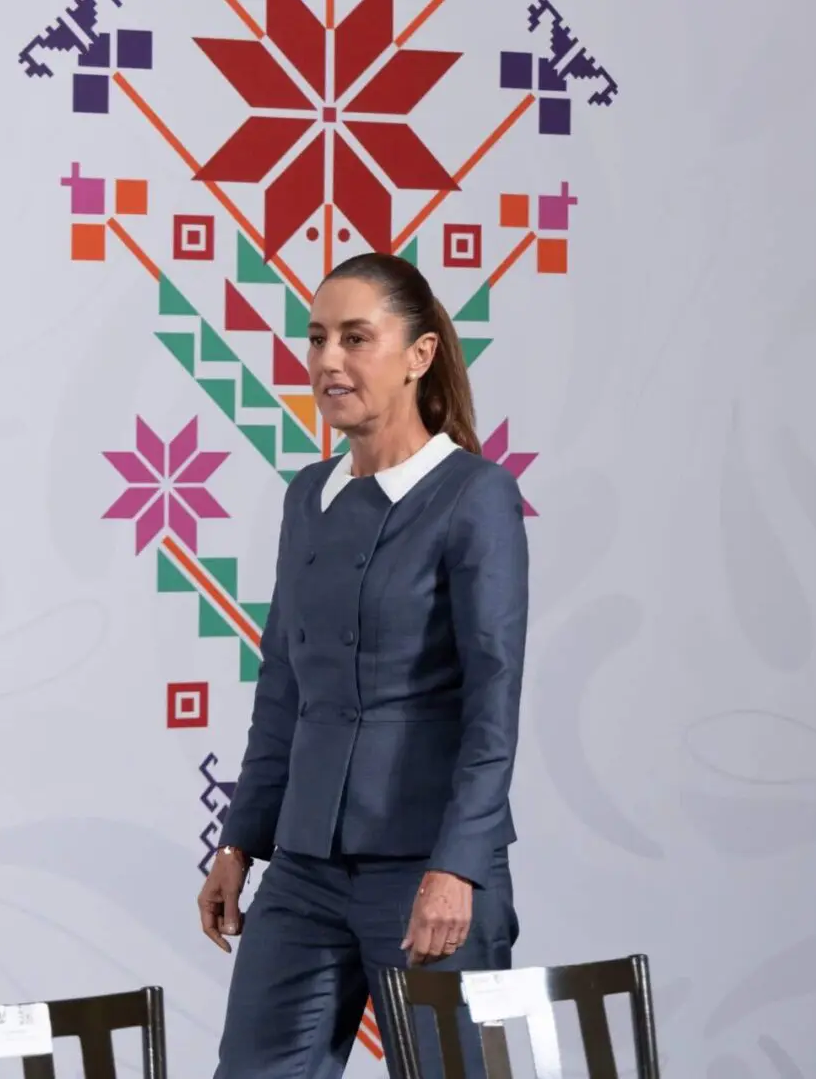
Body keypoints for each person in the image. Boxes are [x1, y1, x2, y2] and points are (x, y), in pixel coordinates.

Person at [197, 252, 528, 1079]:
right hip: (305, 865)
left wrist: (458, 866)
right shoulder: (306, 495)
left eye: (355, 337)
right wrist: (240, 841)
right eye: (316, 339)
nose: (327, 361)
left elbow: (494, 699)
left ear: (418, 356)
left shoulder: (474, 494)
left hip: (428, 864)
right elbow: (282, 688)